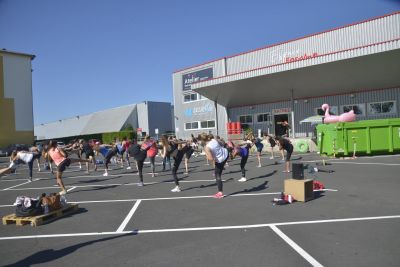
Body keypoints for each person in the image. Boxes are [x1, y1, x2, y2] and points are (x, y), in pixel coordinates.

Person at [204, 134, 229, 199]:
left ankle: (220, 193)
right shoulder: (214, 140)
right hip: (226, 153)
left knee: (217, 175)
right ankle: (222, 167)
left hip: (221, 159)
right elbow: (222, 143)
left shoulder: (207, 147)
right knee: (218, 170)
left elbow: (211, 159)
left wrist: (207, 154)